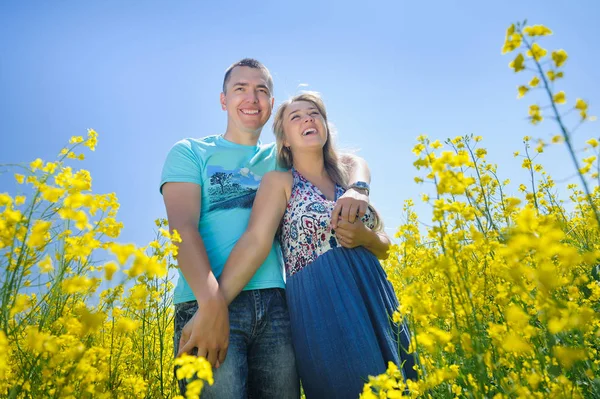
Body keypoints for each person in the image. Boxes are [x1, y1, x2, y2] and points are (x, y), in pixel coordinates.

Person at [160, 59, 372, 398]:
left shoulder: (283, 157)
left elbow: (346, 161)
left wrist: (357, 187)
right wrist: (213, 304)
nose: (252, 98)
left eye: (262, 90)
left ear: (271, 105)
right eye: (240, 89)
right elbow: (182, 228)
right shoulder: (191, 152)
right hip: (204, 299)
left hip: (276, 306)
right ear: (223, 99)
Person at [215, 91, 418, 398]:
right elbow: (256, 240)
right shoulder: (280, 182)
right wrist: (214, 305)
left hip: (372, 292)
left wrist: (364, 232)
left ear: (324, 125)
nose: (307, 119)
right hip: (320, 300)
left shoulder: (348, 175)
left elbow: (384, 245)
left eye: (314, 113)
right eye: (296, 117)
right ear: (284, 139)